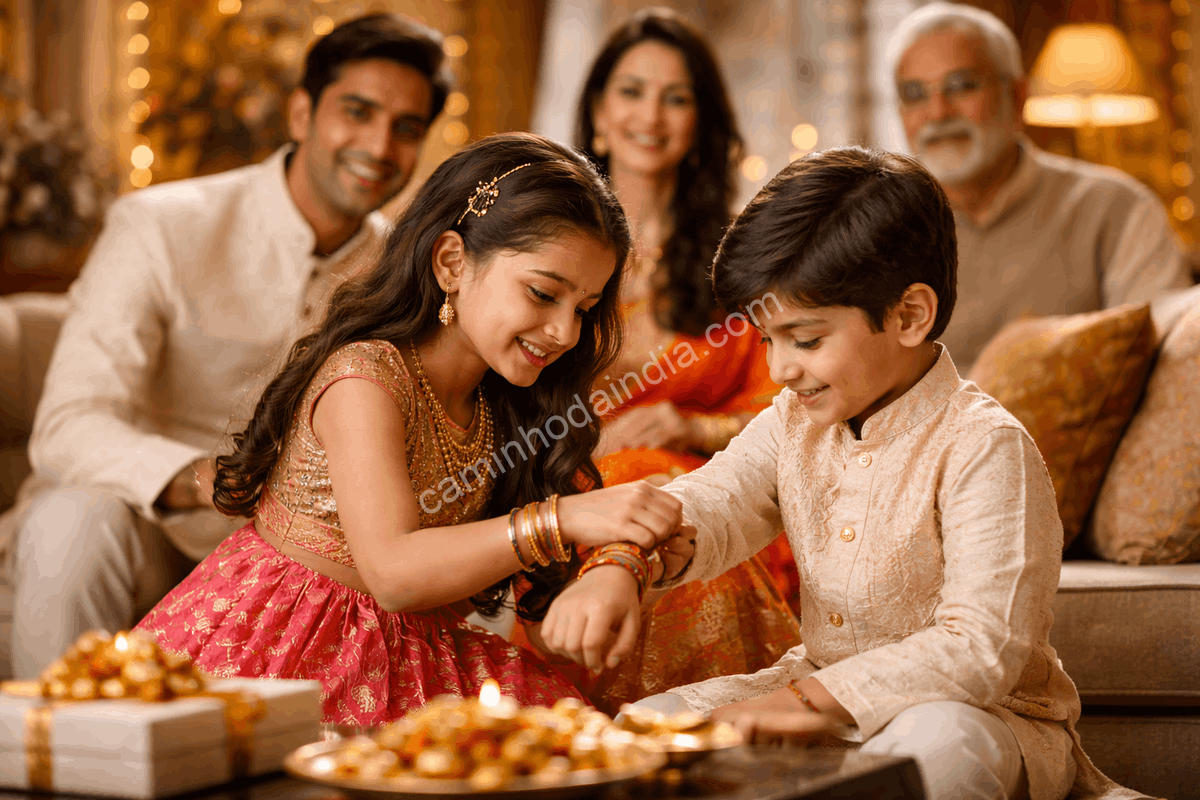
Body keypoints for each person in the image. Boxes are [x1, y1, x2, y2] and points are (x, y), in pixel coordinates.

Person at [542, 147, 1146, 800]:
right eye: (766, 339)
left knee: (937, 749)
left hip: (982, 718)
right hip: (823, 703)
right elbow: (714, 499)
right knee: (646, 731)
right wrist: (622, 563)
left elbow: (983, 650)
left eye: (805, 340)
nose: (778, 369)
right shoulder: (793, 419)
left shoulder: (984, 445)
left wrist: (806, 703)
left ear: (909, 315)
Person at [135, 131, 687, 725]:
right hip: (282, 655)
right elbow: (393, 573)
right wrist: (568, 517)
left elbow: (548, 629)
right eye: (542, 293)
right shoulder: (364, 377)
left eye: (582, 308)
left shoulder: (507, 404)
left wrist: (637, 566)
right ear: (451, 262)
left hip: (421, 653)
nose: (565, 332)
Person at [5, 14, 449, 680]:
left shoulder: (406, 271)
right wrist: (205, 479)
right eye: (357, 111)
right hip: (145, 533)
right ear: (302, 113)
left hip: (295, 572)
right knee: (75, 518)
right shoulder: (160, 225)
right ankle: (53, 761)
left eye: (407, 128)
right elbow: (69, 427)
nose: (379, 145)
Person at [512, 8, 800, 715]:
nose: (652, 114)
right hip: (560, 483)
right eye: (632, 92)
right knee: (620, 489)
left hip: (712, 492)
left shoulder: (741, 258)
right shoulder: (542, 246)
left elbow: (792, 398)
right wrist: (583, 442)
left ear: (701, 122)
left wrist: (686, 426)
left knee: (651, 490)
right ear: (599, 113)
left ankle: (700, 739)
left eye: (677, 97)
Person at [888, 1, 1192, 371]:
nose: (938, 112)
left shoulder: (1116, 208)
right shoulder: (879, 225)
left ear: (1017, 97)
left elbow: (1173, 355)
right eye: (915, 94)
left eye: (962, 85)